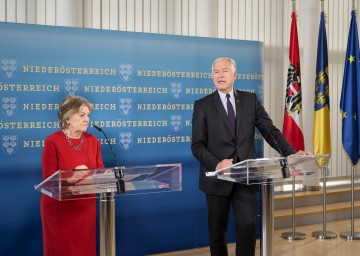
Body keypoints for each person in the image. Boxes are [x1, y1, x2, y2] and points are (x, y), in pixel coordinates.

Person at [191, 57, 309, 256]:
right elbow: (197, 145)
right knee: (217, 233)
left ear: (234, 75)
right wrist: (217, 163)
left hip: (246, 178)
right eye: (216, 72)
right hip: (218, 179)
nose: (220, 75)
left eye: (225, 71)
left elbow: (269, 130)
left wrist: (291, 154)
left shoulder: (250, 100)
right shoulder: (202, 105)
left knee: (247, 226)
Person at [40, 95, 104, 256]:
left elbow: (100, 172)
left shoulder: (93, 141)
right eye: (81, 115)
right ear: (67, 118)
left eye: (88, 115)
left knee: (85, 250)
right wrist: (72, 177)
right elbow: (48, 181)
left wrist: (101, 174)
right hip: (60, 209)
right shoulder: (53, 141)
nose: (86, 119)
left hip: (85, 207)